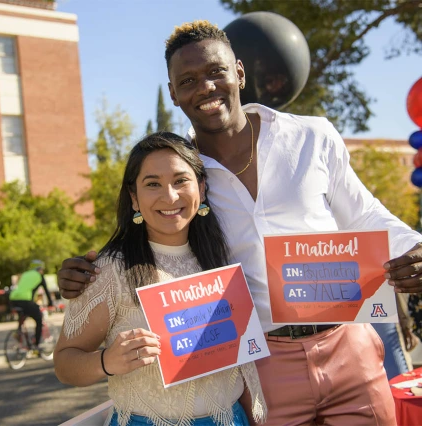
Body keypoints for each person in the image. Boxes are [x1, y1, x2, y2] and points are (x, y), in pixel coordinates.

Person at [58, 21, 422, 425]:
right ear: (173, 94)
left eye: (216, 72)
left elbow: (366, 213)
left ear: (239, 74)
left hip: (348, 344)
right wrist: (82, 274)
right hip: (262, 365)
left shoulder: (312, 136)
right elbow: (151, 236)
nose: (206, 87)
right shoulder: (182, 177)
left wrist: (413, 247)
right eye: (189, 80)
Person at [54, 132, 266, 426]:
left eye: (181, 180)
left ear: (201, 189)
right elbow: (65, 363)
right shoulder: (110, 269)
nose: (170, 196)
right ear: (134, 198)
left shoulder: (222, 256)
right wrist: (106, 362)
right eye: (153, 184)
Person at [9, 259, 54, 352]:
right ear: (39, 269)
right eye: (42, 269)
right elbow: (46, 291)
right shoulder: (39, 276)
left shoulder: (25, 274)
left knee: (23, 315)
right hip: (25, 299)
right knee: (38, 318)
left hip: (13, 298)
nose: (42, 271)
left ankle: (19, 333)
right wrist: (50, 303)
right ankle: (36, 345)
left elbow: (27, 289)